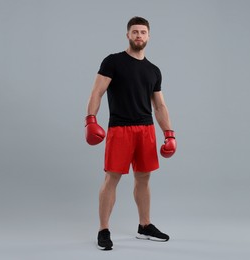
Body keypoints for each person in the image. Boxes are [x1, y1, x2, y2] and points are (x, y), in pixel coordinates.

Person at [85, 16, 177, 251]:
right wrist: (90, 120)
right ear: (128, 35)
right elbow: (97, 92)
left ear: (148, 36)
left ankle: (144, 226)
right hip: (120, 128)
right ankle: (103, 230)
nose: (139, 36)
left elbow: (159, 106)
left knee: (144, 178)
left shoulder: (153, 70)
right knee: (112, 177)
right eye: (134, 32)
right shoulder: (113, 62)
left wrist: (169, 134)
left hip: (146, 129)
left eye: (143, 32)